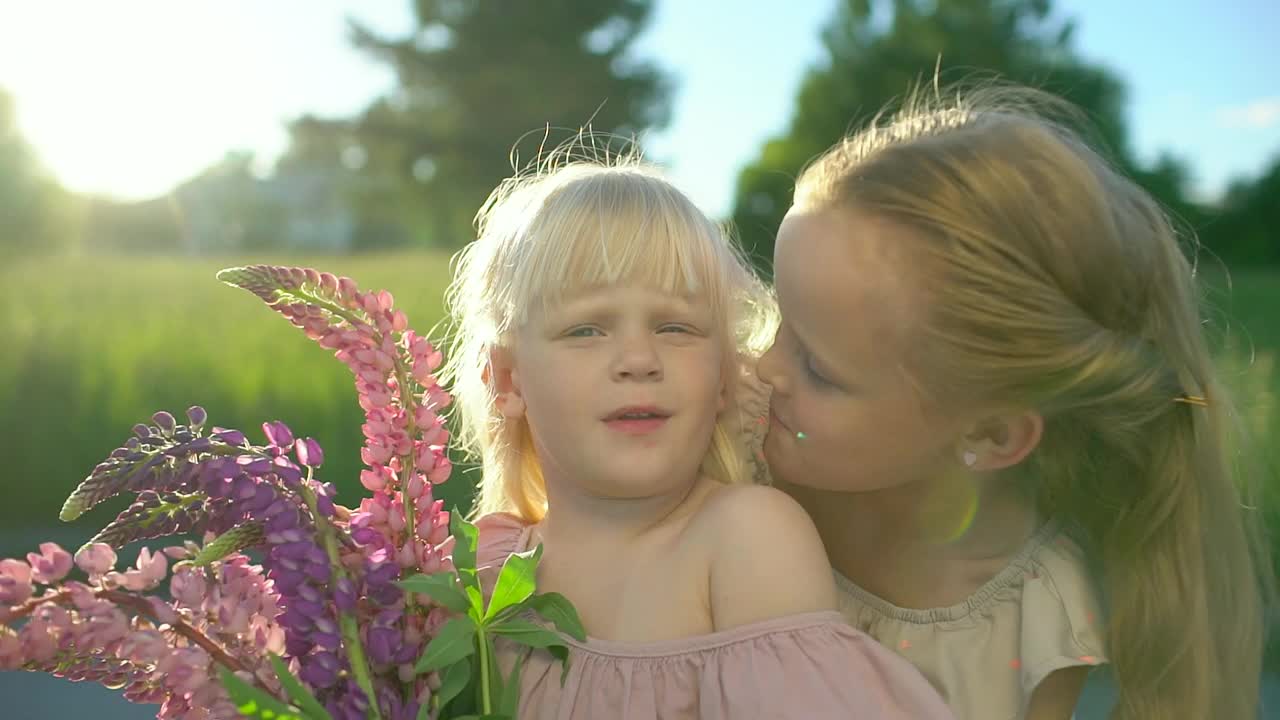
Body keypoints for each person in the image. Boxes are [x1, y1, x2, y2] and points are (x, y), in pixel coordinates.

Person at [752, 85, 1271, 720]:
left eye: (817, 368)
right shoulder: (735, 476)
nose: (761, 365)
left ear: (992, 435)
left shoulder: (1031, 611)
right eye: (781, 317)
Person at [441, 146, 953, 719]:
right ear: (508, 379)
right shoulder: (481, 570)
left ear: (724, 376)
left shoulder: (742, 538)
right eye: (586, 329)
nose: (639, 358)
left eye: (676, 327)